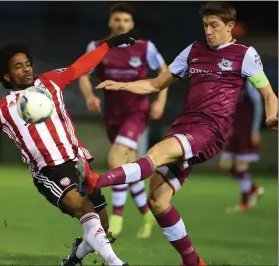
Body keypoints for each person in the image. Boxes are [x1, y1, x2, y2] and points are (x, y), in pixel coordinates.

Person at [80, 2, 278, 266]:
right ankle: (193, 261)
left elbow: (268, 93)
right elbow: (155, 83)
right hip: (183, 126)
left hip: (210, 130)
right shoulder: (193, 51)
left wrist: (271, 115)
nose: (208, 31)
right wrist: (122, 84)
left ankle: (97, 181)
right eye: (205, 25)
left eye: (214, 25)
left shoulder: (245, 54)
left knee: (155, 154)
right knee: (158, 200)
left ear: (230, 26)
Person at [0, 33, 136, 266]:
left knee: (101, 227)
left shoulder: (50, 82)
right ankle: (117, 264)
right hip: (50, 171)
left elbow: (80, 66)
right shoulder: (2, 109)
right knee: (85, 209)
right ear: (7, 76)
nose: (25, 69)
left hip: (79, 161)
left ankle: (76, 255)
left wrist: (107, 45)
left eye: (27, 64)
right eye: (18, 66)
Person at [79, 2, 169, 238]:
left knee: (115, 158)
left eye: (126, 20)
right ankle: (148, 216)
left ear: (132, 24)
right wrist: (90, 97)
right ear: (111, 22)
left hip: (137, 112)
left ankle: (116, 218)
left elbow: (165, 73)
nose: (121, 24)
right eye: (117, 19)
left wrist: (159, 102)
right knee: (124, 168)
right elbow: (83, 75)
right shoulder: (96, 47)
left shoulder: (144, 48)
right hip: (112, 115)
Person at [219, 81, 264, 213]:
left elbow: (258, 105)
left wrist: (255, 129)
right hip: (233, 130)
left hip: (246, 130)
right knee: (225, 164)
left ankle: (244, 203)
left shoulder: (249, 83)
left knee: (241, 166)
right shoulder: (228, 81)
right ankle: (254, 189)